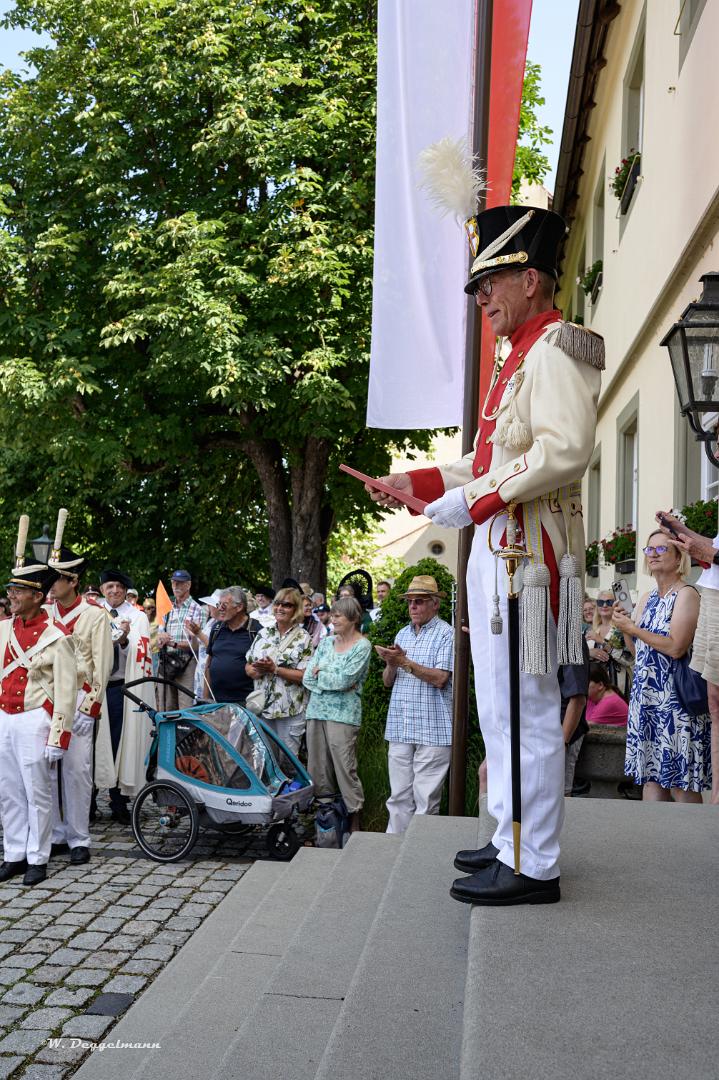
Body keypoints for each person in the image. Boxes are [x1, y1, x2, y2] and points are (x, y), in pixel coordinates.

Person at [368, 205, 602, 904]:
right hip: (502, 554)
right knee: (499, 712)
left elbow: (563, 450)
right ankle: (509, 836)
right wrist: (419, 483)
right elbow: (488, 463)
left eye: (488, 284)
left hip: (524, 563)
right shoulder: (520, 357)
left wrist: (469, 504)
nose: (479, 300)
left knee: (524, 712)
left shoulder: (556, 346)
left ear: (529, 280)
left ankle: (533, 863)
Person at [612, 531, 711, 802]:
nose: (653, 555)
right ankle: (654, 843)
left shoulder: (687, 594)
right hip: (647, 699)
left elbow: (676, 646)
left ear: (679, 557)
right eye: (649, 550)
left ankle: (688, 844)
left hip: (675, 702)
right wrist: (626, 630)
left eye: (661, 549)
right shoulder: (647, 597)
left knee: (680, 783)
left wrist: (633, 627)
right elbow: (639, 651)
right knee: (651, 779)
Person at [0, 553, 76, 886]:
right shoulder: (3, 630)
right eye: (10, 590)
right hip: (4, 716)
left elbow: (67, 690)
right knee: (9, 790)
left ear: (37, 596)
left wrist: (59, 736)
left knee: (37, 793)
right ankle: (14, 853)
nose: (11, 596)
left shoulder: (56, 636)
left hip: (34, 718)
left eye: (18, 591)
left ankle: (38, 856)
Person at [47, 542, 114, 865]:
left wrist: (91, 705)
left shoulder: (94, 615)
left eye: (56, 578)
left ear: (73, 580)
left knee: (76, 769)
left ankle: (78, 836)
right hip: (47, 699)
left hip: (77, 696)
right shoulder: (45, 613)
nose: (51, 584)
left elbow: (102, 663)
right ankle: (57, 833)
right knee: (49, 769)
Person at [375, 576, 454, 835]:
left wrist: (405, 662)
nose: (413, 607)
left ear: (435, 604)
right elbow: (388, 683)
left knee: (426, 801)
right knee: (397, 796)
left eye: (419, 601)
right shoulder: (403, 633)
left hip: (434, 728)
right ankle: (393, 850)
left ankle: (418, 854)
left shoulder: (447, 633)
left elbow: (441, 678)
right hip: (401, 725)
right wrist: (390, 662)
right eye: (410, 602)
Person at [657, 509, 719, 804]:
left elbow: (675, 646)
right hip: (713, 590)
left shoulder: (684, 592)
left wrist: (709, 553)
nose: (715, 458)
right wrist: (682, 530)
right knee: (715, 701)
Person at [303, 596, 372, 831]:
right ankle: (327, 819)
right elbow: (307, 677)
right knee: (318, 768)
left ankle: (354, 818)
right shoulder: (326, 642)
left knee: (345, 767)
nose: (333, 619)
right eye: (332, 615)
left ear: (353, 618)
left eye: (338, 615)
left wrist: (322, 674)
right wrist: (326, 677)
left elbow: (346, 679)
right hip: (316, 712)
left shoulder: (362, 646)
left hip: (343, 716)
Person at [98, 569, 154, 822]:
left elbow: (137, 652)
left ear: (125, 590)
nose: (114, 591)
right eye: (109, 586)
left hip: (120, 686)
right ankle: (88, 802)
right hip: (94, 687)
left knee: (117, 743)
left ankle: (118, 802)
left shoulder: (137, 617)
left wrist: (122, 640)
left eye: (119, 586)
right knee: (90, 744)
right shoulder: (93, 613)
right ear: (102, 590)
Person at [245, 588, 313, 755]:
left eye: (287, 605)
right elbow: (248, 667)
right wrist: (258, 669)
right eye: (277, 603)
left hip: (290, 710)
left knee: (288, 760)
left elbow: (306, 676)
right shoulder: (263, 633)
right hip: (262, 708)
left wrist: (275, 669)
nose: (280, 608)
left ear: (296, 609)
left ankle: (291, 782)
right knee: (265, 758)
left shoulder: (304, 638)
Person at [156, 569, 206, 710]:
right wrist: (160, 640)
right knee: (166, 708)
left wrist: (172, 643)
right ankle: (167, 733)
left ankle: (186, 733)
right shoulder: (167, 607)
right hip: (167, 661)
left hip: (187, 663)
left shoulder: (197, 609)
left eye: (179, 583)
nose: (175, 586)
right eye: (173, 583)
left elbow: (197, 646)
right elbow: (159, 637)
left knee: (186, 708)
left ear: (188, 585)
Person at [201, 587, 258, 705]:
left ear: (239, 607)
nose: (220, 608)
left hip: (246, 703)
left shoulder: (255, 630)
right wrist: (205, 698)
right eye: (219, 604)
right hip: (217, 702)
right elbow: (209, 664)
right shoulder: (216, 628)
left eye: (224, 605)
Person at [558, 640, 590, 797]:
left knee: (560, 797)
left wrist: (563, 743)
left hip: (562, 731)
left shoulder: (571, 635)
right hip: (537, 731)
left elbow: (578, 700)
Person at [189, 588, 222, 699]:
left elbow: (215, 647)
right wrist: (193, 635)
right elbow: (197, 647)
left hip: (211, 671)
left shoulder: (222, 624)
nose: (209, 607)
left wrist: (198, 633)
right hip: (201, 669)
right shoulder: (211, 622)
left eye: (211, 604)